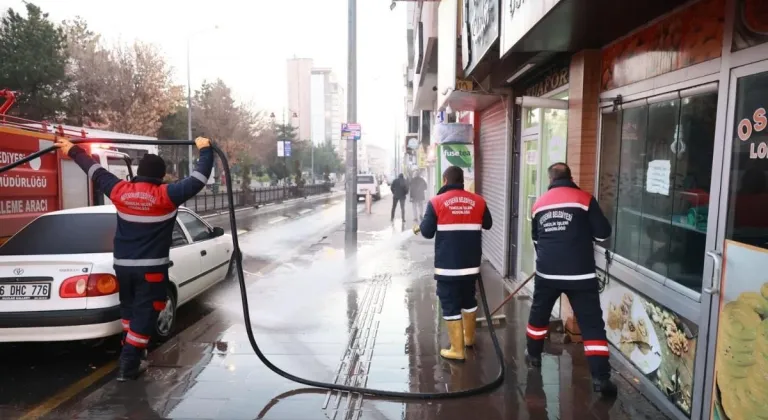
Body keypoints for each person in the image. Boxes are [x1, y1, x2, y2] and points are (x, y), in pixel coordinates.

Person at [54, 136, 214, 381]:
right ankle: (129, 363)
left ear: (138, 173)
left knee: (129, 311)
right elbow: (198, 179)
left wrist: (73, 150)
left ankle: (135, 354)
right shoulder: (166, 195)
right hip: (151, 270)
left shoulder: (120, 190)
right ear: (160, 176)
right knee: (146, 314)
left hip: (123, 267)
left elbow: (95, 171)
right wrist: (205, 150)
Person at [526, 162, 616, 397]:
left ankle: (533, 355)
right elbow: (603, 233)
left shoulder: (538, 205)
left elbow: (536, 240)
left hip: (547, 273)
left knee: (539, 315)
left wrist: (548, 259)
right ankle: (600, 379)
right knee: (591, 325)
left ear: (550, 180)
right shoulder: (585, 199)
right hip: (581, 274)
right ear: (571, 177)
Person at [418, 166, 492, 360]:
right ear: (462, 181)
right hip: (471, 266)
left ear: (444, 180)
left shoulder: (436, 202)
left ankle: (457, 350)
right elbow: (488, 224)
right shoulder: (478, 201)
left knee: (450, 304)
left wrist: (424, 222)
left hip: (447, 267)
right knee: (469, 300)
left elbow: (426, 232)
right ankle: (468, 339)